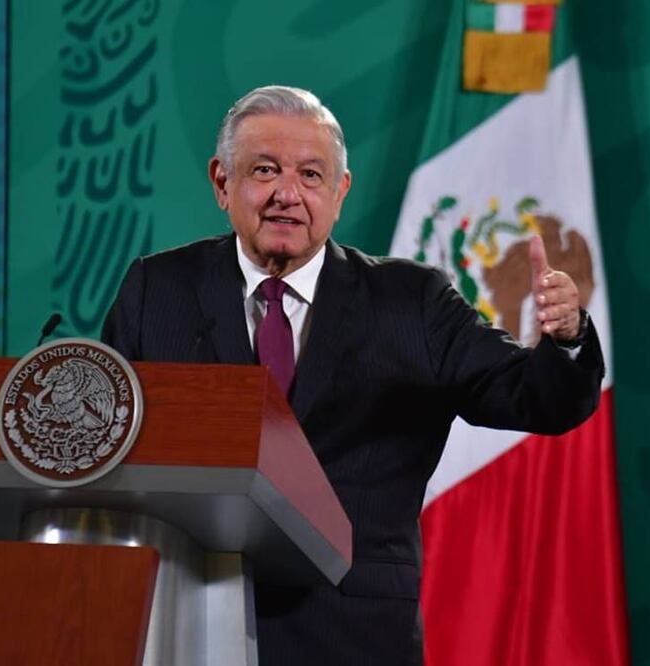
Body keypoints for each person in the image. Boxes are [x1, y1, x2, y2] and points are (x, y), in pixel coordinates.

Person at [102, 85, 604, 666]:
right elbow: (106, 449)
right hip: (186, 625)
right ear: (222, 183)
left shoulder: (412, 301)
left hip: (352, 634)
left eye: (311, 176)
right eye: (264, 170)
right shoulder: (157, 290)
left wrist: (565, 339)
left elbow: (532, 399)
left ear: (339, 193)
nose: (287, 194)